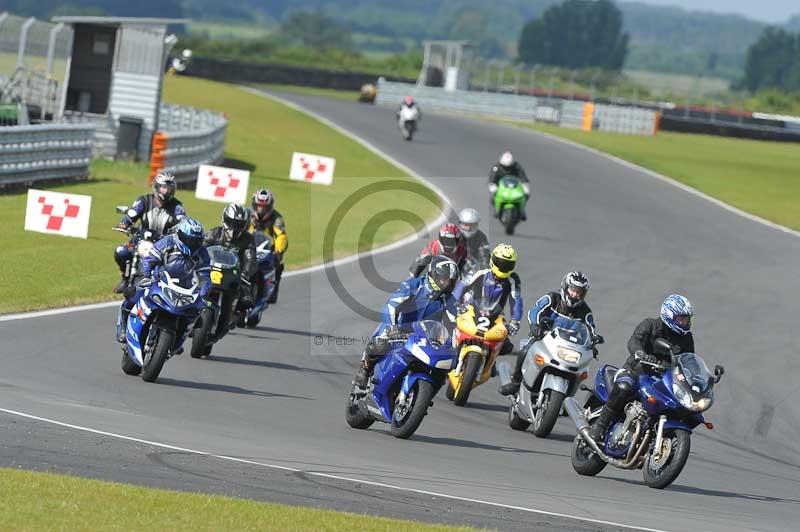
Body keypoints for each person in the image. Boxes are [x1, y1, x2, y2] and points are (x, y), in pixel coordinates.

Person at [589, 294, 695, 442]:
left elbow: (688, 359)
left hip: (662, 379)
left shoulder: (686, 338)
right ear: (668, 315)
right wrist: (640, 353)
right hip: (636, 371)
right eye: (680, 318)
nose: (684, 322)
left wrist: (695, 376)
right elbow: (634, 341)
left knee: (683, 406)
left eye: (686, 319)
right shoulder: (650, 325)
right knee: (624, 386)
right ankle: (600, 426)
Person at [353, 256, 460, 388]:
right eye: (445, 280)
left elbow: (456, 323)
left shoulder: (450, 300)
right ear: (434, 275)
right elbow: (391, 305)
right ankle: (365, 370)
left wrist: (454, 346)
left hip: (426, 338)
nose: (448, 284)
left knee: (442, 369)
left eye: (451, 282)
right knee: (380, 344)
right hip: (398, 330)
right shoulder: (414, 285)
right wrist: (392, 327)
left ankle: (422, 399)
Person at [500, 271, 596, 396]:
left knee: (580, 368)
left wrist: (592, 342)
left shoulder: (585, 311)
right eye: (573, 290)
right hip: (543, 338)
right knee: (525, 351)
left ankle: (566, 397)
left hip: (568, 345)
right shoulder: (552, 298)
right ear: (565, 287)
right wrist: (535, 326)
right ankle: (516, 382)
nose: (575, 294)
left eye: (579, 292)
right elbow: (535, 311)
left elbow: (590, 328)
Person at [116, 217, 210, 343]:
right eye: (189, 240)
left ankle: (179, 336)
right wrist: (146, 277)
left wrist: (203, 292)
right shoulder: (167, 242)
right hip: (159, 280)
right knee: (134, 293)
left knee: (198, 313)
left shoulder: (202, 252)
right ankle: (124, 320)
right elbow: (149, 260)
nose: (192, 244)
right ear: (180, 236)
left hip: (184, 287)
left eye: (195, 241)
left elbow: (205, 275)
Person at [113, 172, 185, 293]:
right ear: (156, 187)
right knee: (121, 251)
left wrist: (183, 229)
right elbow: (132, 214)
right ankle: (125, 279)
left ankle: (170, 288)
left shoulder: (176, 206)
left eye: (169, 188)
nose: (166, 191)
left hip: (164, 244)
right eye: (163, 187)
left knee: (177, 262)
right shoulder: (144, 201)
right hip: (140, 240)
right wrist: (124, 224)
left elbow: (182, 220)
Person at [453, 243, 522, 358]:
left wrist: (515, 321)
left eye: (507, 264)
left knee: (506, 347)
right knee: (448, 330)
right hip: (470, 308)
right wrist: (454, 303)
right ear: (493, 260)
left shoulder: (513, 279)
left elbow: (516, 300)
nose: (504, 267)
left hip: (495, 316)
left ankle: (490, 363)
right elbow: (462, 286)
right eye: (501, 263)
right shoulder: (480, 270)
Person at [205, 203, 257, 310]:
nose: (234, 228)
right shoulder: (213, 233)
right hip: (212, 270)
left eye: (238, 224)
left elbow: (250, 257)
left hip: (234, 274)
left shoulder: (248, 239)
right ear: (224, 219)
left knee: (246, 300)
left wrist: (245, 273)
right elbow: (201, 248)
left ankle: (239, 309)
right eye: (231, 222)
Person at [249, 189, 288, 304]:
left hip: (268, 248)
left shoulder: (277, 218)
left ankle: (272, 291)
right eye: (259, 206)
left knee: (277, 265)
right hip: (249, 245)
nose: (261, 209)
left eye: (264, 206)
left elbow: (281, 236)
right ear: (254, 205)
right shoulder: (248, 215)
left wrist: (278, 251)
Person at [488, 151, 530, 220]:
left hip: (514, 185)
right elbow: (492, 177)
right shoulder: (496, 167)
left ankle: (522, 210)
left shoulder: (517, 166)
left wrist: (525, 182)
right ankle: (497, 209)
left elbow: (522, 175)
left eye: (509, 167)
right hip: (500, 185)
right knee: (493, 195)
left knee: (526, 193)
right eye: (505, 167)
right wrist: (492, 184)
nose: (507, 169)